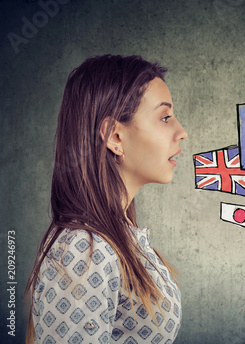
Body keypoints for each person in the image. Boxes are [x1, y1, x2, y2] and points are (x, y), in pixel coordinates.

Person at [24, 54, 188, 343]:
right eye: (164, 117)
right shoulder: (82, 249)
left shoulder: (117, 237)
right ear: (115, 137)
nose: (181, 132)